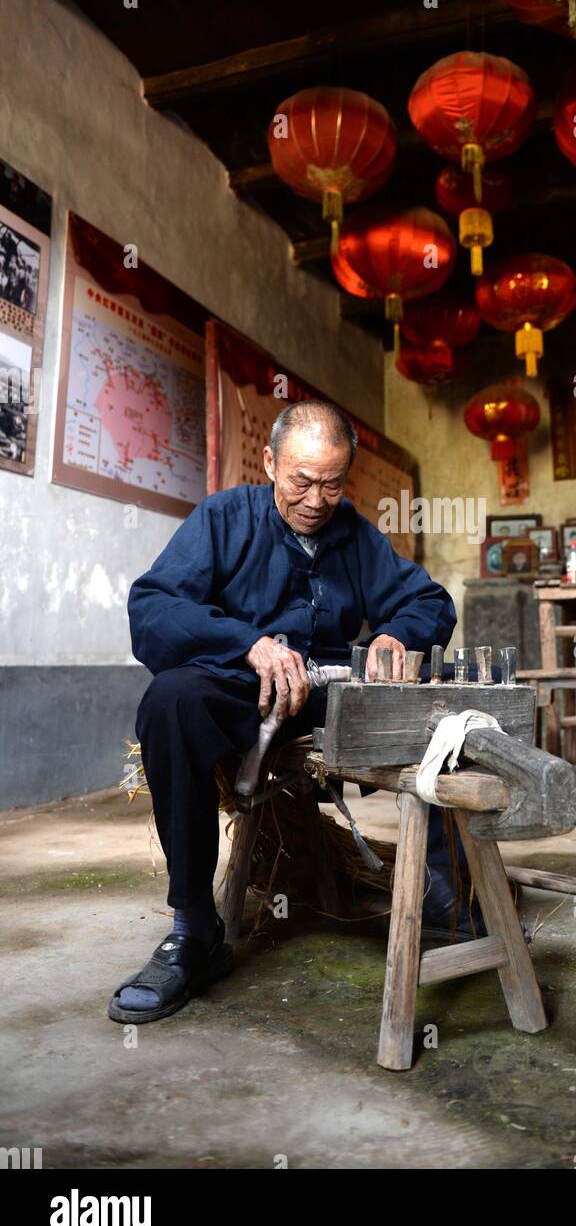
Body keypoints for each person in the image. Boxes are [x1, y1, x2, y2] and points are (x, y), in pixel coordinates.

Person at [108, 400, 466, 1025]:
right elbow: (152, 607)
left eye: (332, 482)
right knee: (171, 702)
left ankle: (442, 895)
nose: (316, 498)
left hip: (328, 694)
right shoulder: (223, 519)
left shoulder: (354, 533)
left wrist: (397, 636)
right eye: (301, 480)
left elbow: (427, 599)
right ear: (270, 462)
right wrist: (247, 644)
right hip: (241, 690)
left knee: (440, 707)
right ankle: (194, 929)